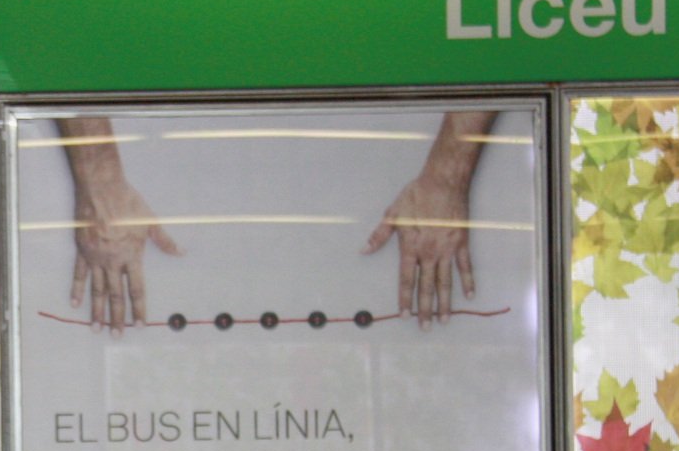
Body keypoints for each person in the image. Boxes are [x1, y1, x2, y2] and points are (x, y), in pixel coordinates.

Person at [55, 111, 496, 331]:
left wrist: (447, 174)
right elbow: (61, 2)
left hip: (406, 166)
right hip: (139, 195)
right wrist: (99, 177)